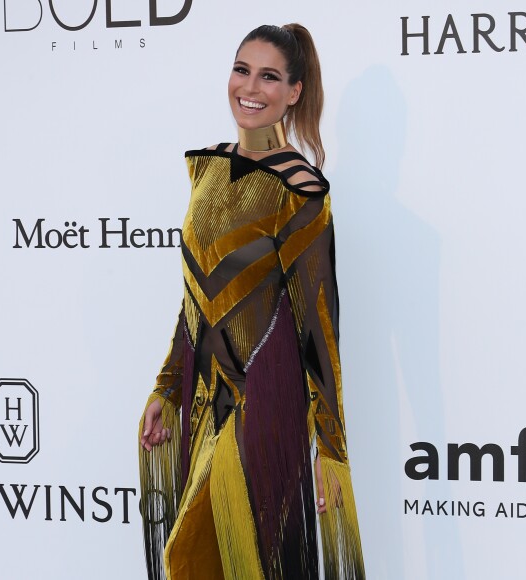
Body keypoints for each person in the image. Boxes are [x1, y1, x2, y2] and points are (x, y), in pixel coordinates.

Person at [138, 23, 366, 580]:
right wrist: (166, 387)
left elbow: (320, 327)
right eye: (242, 70)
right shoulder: (207, 168)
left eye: (269, 76)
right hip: (200, 396)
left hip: (264, 400)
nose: (251, 87)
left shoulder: (301, 189)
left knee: (234, 558)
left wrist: (330, 451)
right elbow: (194, 296)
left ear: (294, 91)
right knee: (201, 559)